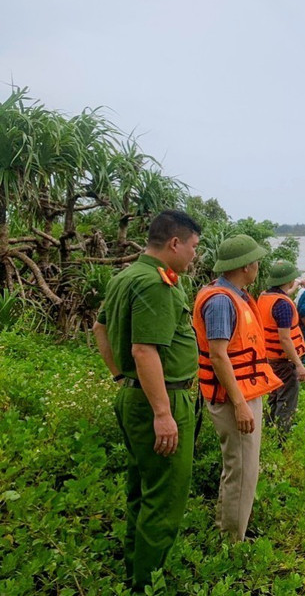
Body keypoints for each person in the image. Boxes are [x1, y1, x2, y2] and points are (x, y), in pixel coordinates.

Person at [92, 209, 202, 592]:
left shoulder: (126, 276)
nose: (194, 256)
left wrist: (120, 377)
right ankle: (147, 585)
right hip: (163, 400)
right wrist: (163, 413)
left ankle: (134, 572)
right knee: (165, 501)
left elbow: (99, 327)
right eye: (193, 247)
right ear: (175, 243)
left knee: (143, 490)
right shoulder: (155, 284)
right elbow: (144, 350)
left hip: (137, 396)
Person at [193, 234, 283, 542]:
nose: (258, 266)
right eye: (256, 261)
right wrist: (241, 404)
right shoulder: (221, 301)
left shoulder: (235, 295)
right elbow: (219, 355)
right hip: (234, 399)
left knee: (241, 466)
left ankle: (233, 526)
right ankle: (232, 541)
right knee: (242, 470)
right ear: (246, 266)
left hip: (242, 393)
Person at [257, 260, 305, 432]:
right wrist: (299, 365)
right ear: (288, 280)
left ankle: (269, 428)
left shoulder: (265, 296)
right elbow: (285, 339)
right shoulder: (284, 305)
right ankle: (282, 436)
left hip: (268, 358)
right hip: (284, 360)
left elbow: (286, 293)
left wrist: (297, 284)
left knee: (273, 394)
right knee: (286, 398)